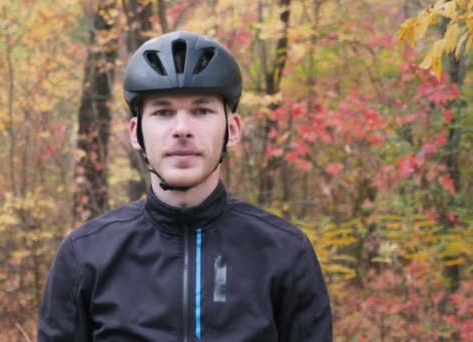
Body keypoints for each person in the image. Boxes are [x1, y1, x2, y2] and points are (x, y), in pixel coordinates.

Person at [38, 31, 332, 341]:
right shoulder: (85, 255)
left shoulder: (285, 252)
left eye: (201, 111)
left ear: (232, 129)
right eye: (163, 112)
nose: (182, 129)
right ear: (136, 133)